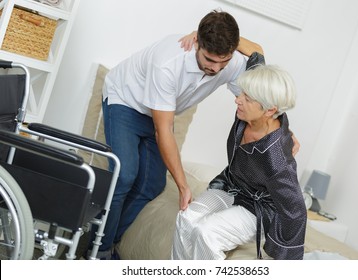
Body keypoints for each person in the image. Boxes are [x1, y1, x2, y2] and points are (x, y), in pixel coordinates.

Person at [87, 10, 265, 259]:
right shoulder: (168, 62)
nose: (215, 68)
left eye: (222, 62)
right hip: (126, 101)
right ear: (197, 44)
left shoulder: (231, 62)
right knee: (125, 175)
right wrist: (183, 185)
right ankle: (97, 251)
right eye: (209, 60)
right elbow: (164, 130)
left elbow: (259, 59)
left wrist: (280, 130)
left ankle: (112, 238)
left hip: (160, 112)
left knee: (152, 185)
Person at [171, 63, 307, 260]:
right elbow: (256, 57)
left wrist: (284, 258)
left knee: (207, 233)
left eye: (247, 98)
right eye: (241, 93)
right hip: (232, 185)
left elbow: (295, 211)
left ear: (269, 110)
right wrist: (198, 34)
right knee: (186, 218)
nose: (237, 100)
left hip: (259, 207)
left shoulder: (276, 158)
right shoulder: (249, 113)